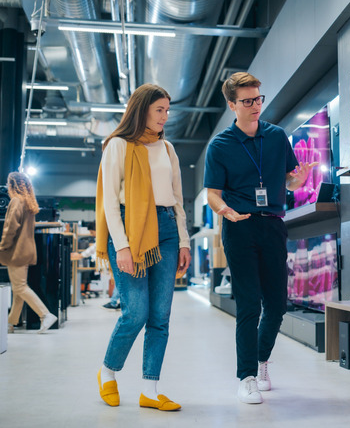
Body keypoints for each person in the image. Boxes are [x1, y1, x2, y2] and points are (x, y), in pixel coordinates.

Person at [204, 72, 317, 404]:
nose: (255, 106)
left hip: (273, 225)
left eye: (258, 99)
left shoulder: (278, 136)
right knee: (249, 304)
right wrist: (225, 210)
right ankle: (247, 377)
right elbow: (212, 194)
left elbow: (290, 184)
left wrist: (301, 179)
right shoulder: (220, 145)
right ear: (232, 105)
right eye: (247, 101)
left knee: (278, 304)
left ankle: (261, 361)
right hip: (238, 226)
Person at [95, 84, 191, 411]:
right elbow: (109, 202)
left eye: (167, 110)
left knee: (160, 316)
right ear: (142, 110)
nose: (165, 116)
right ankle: (108, 371)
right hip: (130, 230)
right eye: (159, 110)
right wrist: (121, 246)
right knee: (135, 312)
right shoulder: (118, 146)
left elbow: (178, 200)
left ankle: (150, 389)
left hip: (165, 229)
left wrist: (184, 241)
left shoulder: (168, 149)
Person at [0, 171, 58, 334]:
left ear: (11, 185)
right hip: (27, 251)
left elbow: (10, 228)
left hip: (16, 252)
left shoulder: (16, 201)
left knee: (20, 287)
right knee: (18, 289)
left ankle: (45, 315)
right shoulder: (28, 203)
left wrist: (2, 247)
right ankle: (10, 323)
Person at [71, 222, 119, 310]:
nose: (92, 235)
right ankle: (115, 301)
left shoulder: (105, 234)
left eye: (92, 233)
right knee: (119, 280)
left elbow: (96, 247)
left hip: (117, 257)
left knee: (120, 280)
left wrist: (81, 255)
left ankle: (114, 302)